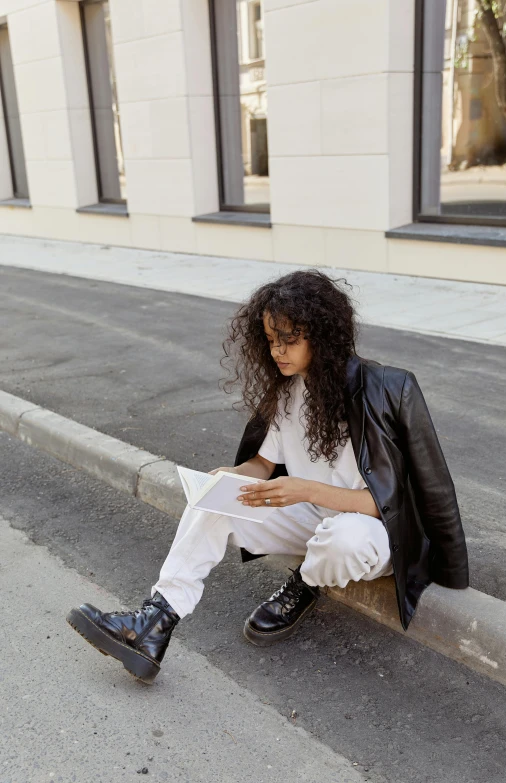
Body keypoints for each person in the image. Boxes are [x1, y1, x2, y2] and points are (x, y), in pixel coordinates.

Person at [67, 269, 469, 684]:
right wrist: (232, 476)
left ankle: (307, 582)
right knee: (215, 502)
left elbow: (394, 501)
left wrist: (305, 489)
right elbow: (262, 465)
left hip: (371, 532)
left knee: (343, 539)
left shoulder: (388, 388)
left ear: (323, 334)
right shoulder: (289, 389)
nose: (278, 351)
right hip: (309, 516)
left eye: (289, 339)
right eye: (271, 340)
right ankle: (156, 620)